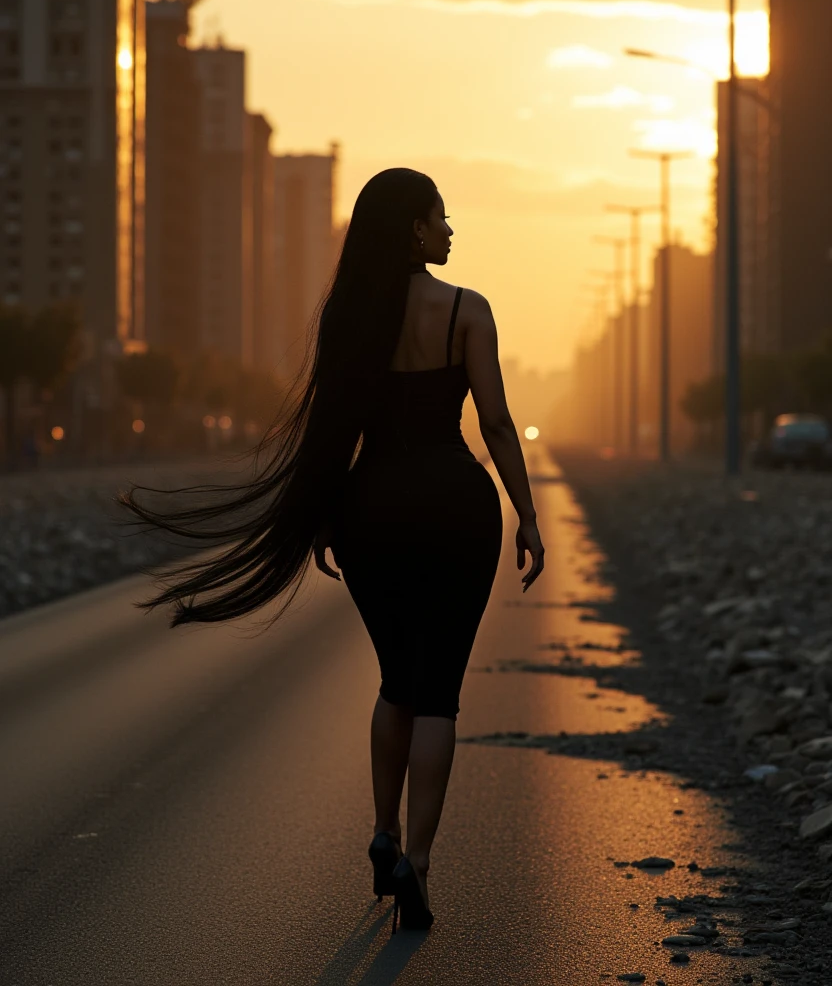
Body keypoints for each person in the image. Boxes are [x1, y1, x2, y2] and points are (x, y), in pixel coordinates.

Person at [120, 168, 544, 935]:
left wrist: (320, 519)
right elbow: (499, 426)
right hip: (456, 506)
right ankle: (417, 861)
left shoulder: (351, 315)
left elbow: (333, 431)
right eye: (440, 218)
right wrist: (528, 514)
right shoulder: (468, 311)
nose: (451, 231)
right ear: (415, 230)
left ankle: (382, 832)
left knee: (397, 683)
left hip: (371, 510)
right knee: (439, 692)